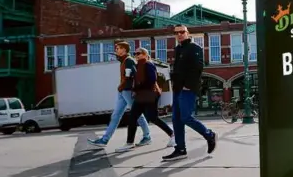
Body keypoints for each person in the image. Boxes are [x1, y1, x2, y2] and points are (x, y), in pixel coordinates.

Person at [162, 25, 217, 161]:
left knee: (186, 117)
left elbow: (198, 68)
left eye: (182, 32)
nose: (179, 34)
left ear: (188, 33)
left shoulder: (194, 48)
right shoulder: (178, 49)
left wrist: (188, 85)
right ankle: (180, 149)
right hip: (177, 88)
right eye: (176, 33)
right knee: (176, 119)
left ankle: (209, 135)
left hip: (187, 89)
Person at [88, 41, 155, 148]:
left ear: (124, 50)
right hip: (123, 91)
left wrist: (126, 86)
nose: (116, 50)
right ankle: (104, 140)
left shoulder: (129, 61)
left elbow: (134, 75)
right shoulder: (123, 60)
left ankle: (147, 136)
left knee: (137, 115)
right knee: (115, 116)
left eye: (118, 48)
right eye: (116, 48)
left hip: (127, 90)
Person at [115, 48, 176, 152]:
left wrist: (137, 87)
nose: (136, 55)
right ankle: (129, 143)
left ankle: (173, 135)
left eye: (138, 53)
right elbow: (138, 80)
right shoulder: (138, 65)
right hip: (141, 96)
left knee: (152, 117)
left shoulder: (148, 64)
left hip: (150, 94)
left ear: (145, 54)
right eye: (135, 53)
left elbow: (152, 80)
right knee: (133, 117)